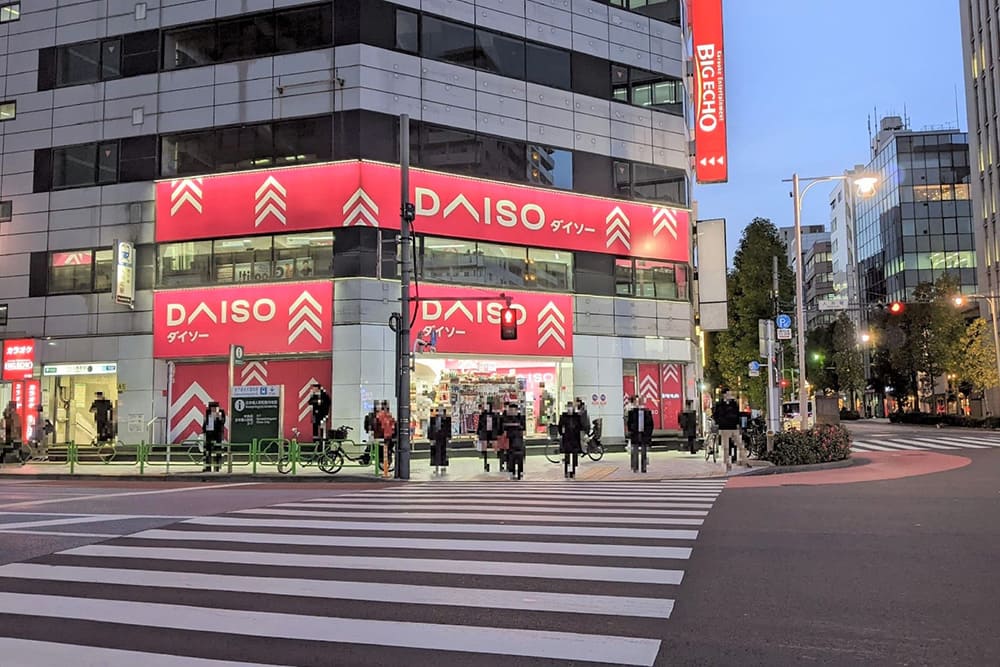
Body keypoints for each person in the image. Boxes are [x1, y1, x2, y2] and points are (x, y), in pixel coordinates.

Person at [712, 389, 744, 470]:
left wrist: (738, 423)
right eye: (728, 394)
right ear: (724, 395)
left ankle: (744, 460)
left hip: (733, 427)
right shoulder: (719, 404)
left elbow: (738, 413)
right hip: (724, 427)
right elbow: (715, 414)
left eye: (730, 393)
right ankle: (727, 462)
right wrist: (720, 422)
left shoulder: (734, 403)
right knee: (726, 446)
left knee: (740, 444)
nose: (730, 395)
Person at [626, 396, 653, 473]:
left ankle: (644, 468)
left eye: (640, 402)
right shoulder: (632, 413)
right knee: (635, 451)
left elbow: (651, 424)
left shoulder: (647, 412)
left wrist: (648, 434)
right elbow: (629, 423)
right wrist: (631, 431)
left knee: (644, 452)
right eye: (637, 402)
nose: (639, 404)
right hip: (635, 433)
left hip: (644, 434)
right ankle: (635, 468)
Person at [558, 401, 583, 478]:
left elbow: (580, 426)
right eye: (568, 407)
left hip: (575, 438)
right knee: (567, 455)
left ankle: (573, 471)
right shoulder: (563, 416)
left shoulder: (577, 416)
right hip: (567, 438)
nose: (570, 409)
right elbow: (560, 426)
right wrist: (562, 434)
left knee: (574, 455)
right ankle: (566, 471)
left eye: (571, 407)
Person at [502, 403, 526, 480]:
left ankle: (520, 471)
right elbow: (504, 429)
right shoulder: (506, 418)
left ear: (516, 410)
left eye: (513, 410)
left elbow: (523, 429)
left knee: (520, 457)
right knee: (510, 457)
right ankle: (511, 471)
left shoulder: (521, 417)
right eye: (510, 410)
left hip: (519, 440)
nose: (512, 411)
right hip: (510, 440)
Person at [202, 401, 226, 472]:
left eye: (215, 408)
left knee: (218, 451)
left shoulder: (221, 412)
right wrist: (204, 430)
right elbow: (205, 423)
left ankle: (217, 467)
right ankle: (207, 467)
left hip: (217, 434)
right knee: (207, 451)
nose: (213, 410)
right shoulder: (207, 412)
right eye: (212, 408)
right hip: (209, 434)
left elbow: (223, 422)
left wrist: (219, 417)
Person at [427, 405, 451, 474]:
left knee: (444, 452)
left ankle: (443, 466)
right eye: (438, 410)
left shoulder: (447, 419)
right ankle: (436, 466)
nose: (439, 412)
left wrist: (449, 437)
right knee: (435, 452)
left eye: (441, 411)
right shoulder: (433, 419)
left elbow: (448, 428)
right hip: (435, 437)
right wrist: (430, 438)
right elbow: (430, 429)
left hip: (443, 437)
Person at [476, 402, 498, 472]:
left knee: (495, 444)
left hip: (492, 433)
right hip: (484, 432)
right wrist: (478, 433)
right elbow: (480, 425)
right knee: (484, 444)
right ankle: (485, 460)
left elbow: (496, 424)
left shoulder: (494, 415)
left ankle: (497, 456)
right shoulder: (482, 415)